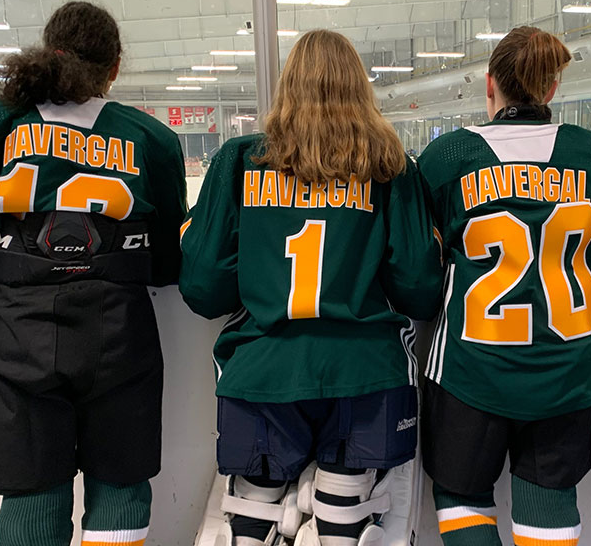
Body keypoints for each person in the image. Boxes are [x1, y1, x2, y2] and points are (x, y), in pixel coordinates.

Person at [0, 1, 187, 546]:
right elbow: (166, 260)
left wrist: (13, 293)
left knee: (30, 489)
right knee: (121, 481)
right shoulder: (151, 138)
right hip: (119, 329)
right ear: (115, 67)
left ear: (48, 50)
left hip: (15, 330)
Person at [179, 30, 443, 546]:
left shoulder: (238, 160)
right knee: (346, 522)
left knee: (251, 520)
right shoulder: (391, 166)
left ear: (286, 85)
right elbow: (418, 286)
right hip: (364, 373)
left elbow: (203, 287)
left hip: (263, 371)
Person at [416, 26, 591, 546]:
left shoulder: (448, 157)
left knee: (460, 496)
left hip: (470, 368)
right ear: (551, 89)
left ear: (489, 85)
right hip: (566, 368)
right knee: (549, 497)